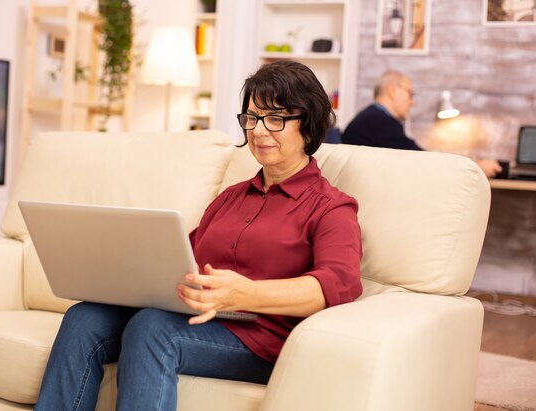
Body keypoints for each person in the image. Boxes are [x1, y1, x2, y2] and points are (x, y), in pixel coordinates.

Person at [34, 60, 363, 410]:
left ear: (309, 125)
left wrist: (245, 294)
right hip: (197, 315)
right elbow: (181, 258)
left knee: (152, 328)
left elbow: (337, 285)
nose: (259, 131)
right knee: (83, 318)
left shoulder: (331, 206)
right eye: (251, 118)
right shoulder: (231, 197)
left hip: (262, 339)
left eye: (276, 118)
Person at [341, 70, 502, 178]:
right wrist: (474, 167)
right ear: (392, 90)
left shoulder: (371, 118)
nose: (413, 103)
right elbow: (423, 161)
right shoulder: (379, 122)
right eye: (410, 94)